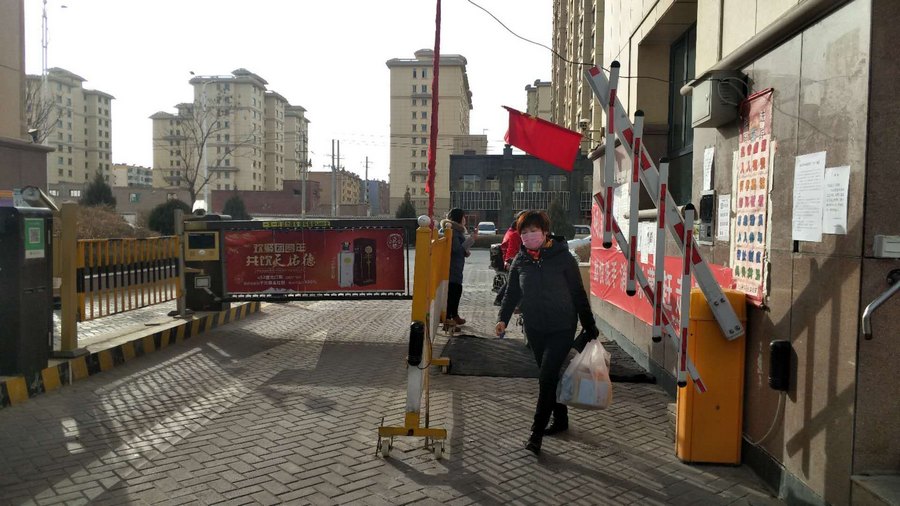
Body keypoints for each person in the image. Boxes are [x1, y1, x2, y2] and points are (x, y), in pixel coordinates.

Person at [495, 210, 599, 456]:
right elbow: (512, 293)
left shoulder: (564, 258)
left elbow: (578, 293)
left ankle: (536, 434)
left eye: (534, 231)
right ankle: (561, 419)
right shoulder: (521, 260)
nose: (529, 236)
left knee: (546, 377)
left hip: (562, 327)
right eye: (524, 232)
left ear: (545, 232)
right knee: (549, 376)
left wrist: (589, 325)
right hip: (535, 328)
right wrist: (502, 319)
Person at [442, 208, 475, 326]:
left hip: (456, 266)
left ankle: (454, 315)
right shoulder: (453, 231)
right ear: (459, 218)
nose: (465, 219)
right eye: (463, 217)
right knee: (453, 292)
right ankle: (449, 318)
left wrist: (466, 251)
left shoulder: (456, 230)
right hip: (452, 267)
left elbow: (459, 249)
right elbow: (456, 249)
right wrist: (471, 240)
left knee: (456, 290)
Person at [493, 211, 525, 306]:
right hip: (514, 261)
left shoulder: (516, 233)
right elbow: (511, 251)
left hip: (518, 261)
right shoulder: (515, 234)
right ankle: (502, 299)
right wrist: (509, 262)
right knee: (513, 281)